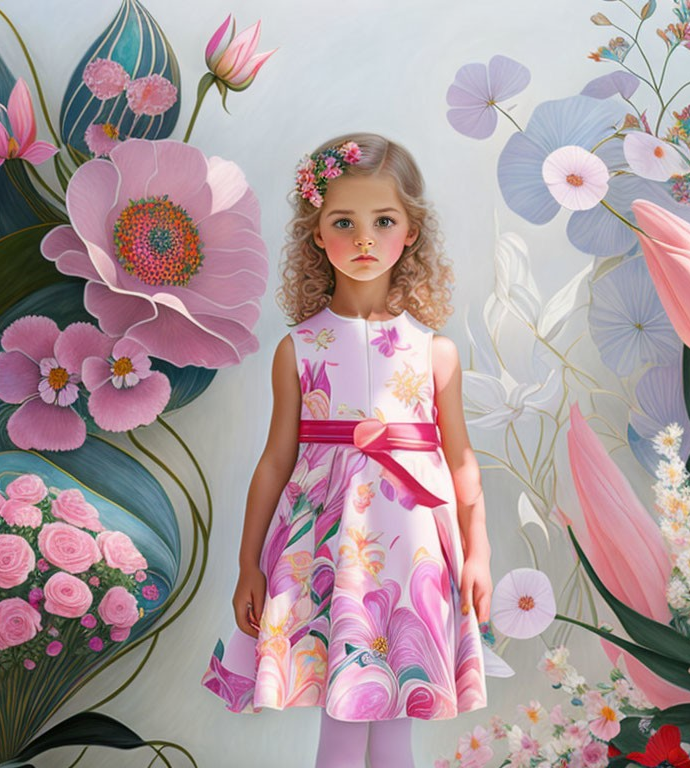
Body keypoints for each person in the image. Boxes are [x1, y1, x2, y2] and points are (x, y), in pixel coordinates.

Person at [202, 132, 492, 768]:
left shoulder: (434, 352)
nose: (364, 239)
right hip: (327, 550)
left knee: (398, 717)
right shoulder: (299, 350)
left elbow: (462, 461)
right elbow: (277, 459)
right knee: (340, 709)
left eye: (383, 220)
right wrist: (249, 564)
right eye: (344, 221)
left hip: (412, 551)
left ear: (411, 231)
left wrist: (479, 554)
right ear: (315, 232)